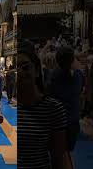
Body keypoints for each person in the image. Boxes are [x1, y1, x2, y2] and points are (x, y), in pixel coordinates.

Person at [18, 40, 71, 169]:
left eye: (25, 67)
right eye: (15, 68)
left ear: (36, 71)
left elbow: (60, 156)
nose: (19, 72)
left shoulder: (53, 109)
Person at [48, 47, 84, 159]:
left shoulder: (53, 75)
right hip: (72, 119)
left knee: (56, 153)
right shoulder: (78, 76)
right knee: (67, 152)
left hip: (55, 120)